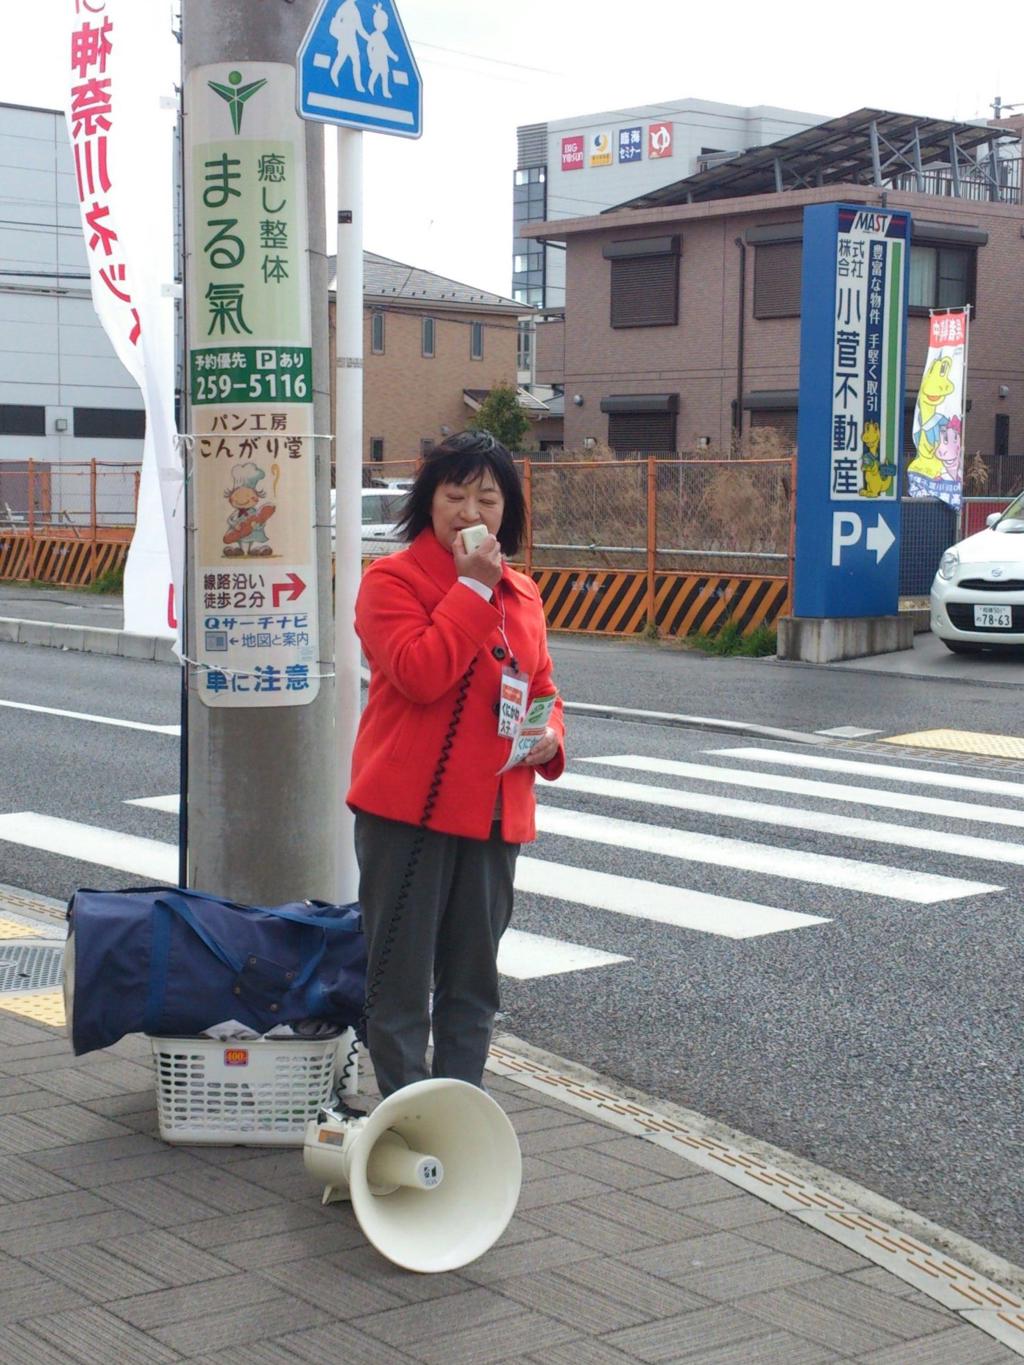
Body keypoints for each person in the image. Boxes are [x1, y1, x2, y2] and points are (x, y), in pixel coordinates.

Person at [347, 431, 565, 1098]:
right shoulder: (391, 581)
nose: (471, 511)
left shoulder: (522, 592)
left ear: (509, 511)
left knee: (474, 986)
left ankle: (457, 1121)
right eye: (455, 494)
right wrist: (470, 590)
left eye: (488, 498)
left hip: (498, 811)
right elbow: (419, 673)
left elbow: (542, 684)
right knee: (401, 982)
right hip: (409, 810)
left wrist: (550, 732)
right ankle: (407, 1124)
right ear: (427, 501)